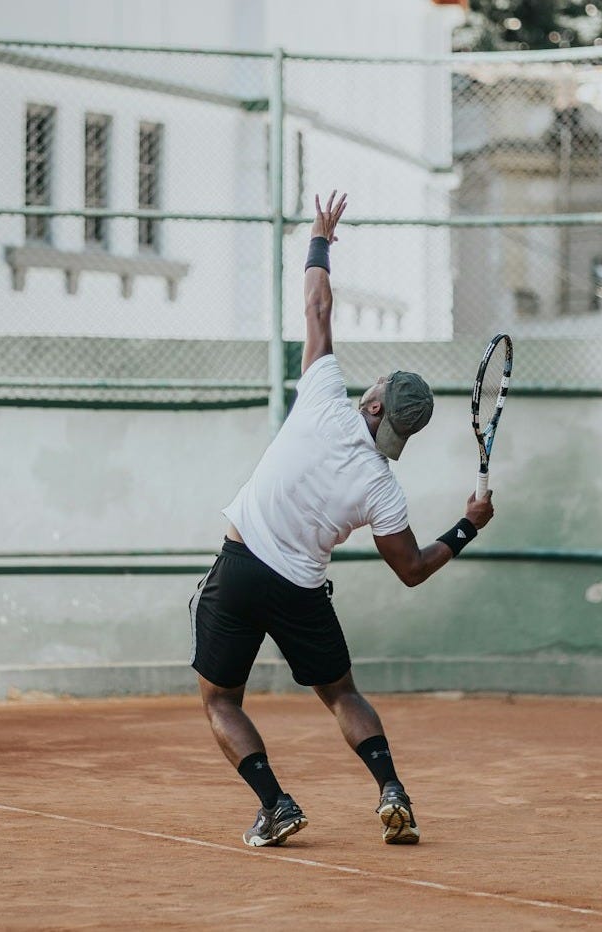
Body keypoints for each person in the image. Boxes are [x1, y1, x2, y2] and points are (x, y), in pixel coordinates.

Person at [189, 190, 494, 848]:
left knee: (219, 700)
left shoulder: (325, 395)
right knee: (341, 694)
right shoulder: (384, 489)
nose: (371, 388)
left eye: (378, 389)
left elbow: (317, 305)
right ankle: (392, 790)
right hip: (300, 589)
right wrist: (468, 525)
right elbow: (411, 569)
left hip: (241, 569)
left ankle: (276, 805)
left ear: (377, 407)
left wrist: (320, 241)